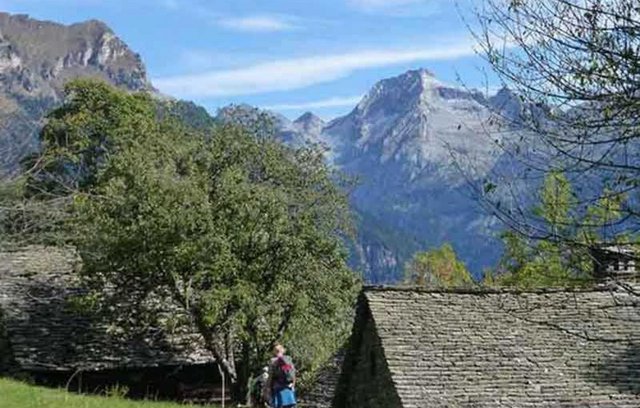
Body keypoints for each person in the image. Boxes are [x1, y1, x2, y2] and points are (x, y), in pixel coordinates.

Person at [265, 343, 297, 408]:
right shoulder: (288, 359)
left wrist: (267, 387)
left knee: (277, 405)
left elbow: (271, 375)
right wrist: (293, 384)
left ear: (274, 352)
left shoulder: (273, 361)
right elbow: (292, 373)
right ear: (283, 350)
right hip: (288, 386)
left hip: (277, 387)